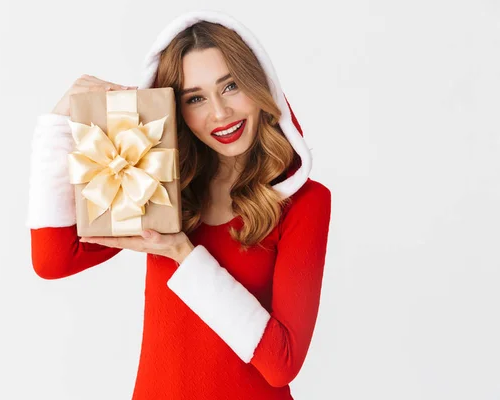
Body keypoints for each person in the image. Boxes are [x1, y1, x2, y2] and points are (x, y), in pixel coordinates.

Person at [26, 10, 332, 400]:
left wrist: (182, 253)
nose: (220, 113)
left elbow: (282, 364)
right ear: (177, 111)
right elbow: (53, 260)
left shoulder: (304, 201)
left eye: (231, 86)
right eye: (196, 98)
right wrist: (56, 125)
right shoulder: (160, 186)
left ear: (260, 87)